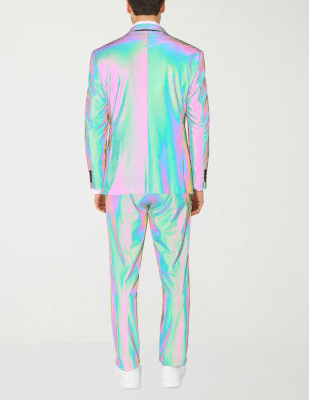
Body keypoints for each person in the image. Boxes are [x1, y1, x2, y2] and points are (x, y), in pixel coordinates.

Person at [84, 0, 210, 389]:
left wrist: (99, 182)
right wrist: (198, 181)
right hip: (174, 181)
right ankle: (172, 368)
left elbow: (94, 124)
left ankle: (127, 370)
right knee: (176, 276)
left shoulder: (104, 58)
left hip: (122, 181)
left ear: (127, 5)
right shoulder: (189, 58)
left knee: (123, 279)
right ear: (164, 4)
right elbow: (199, 123)